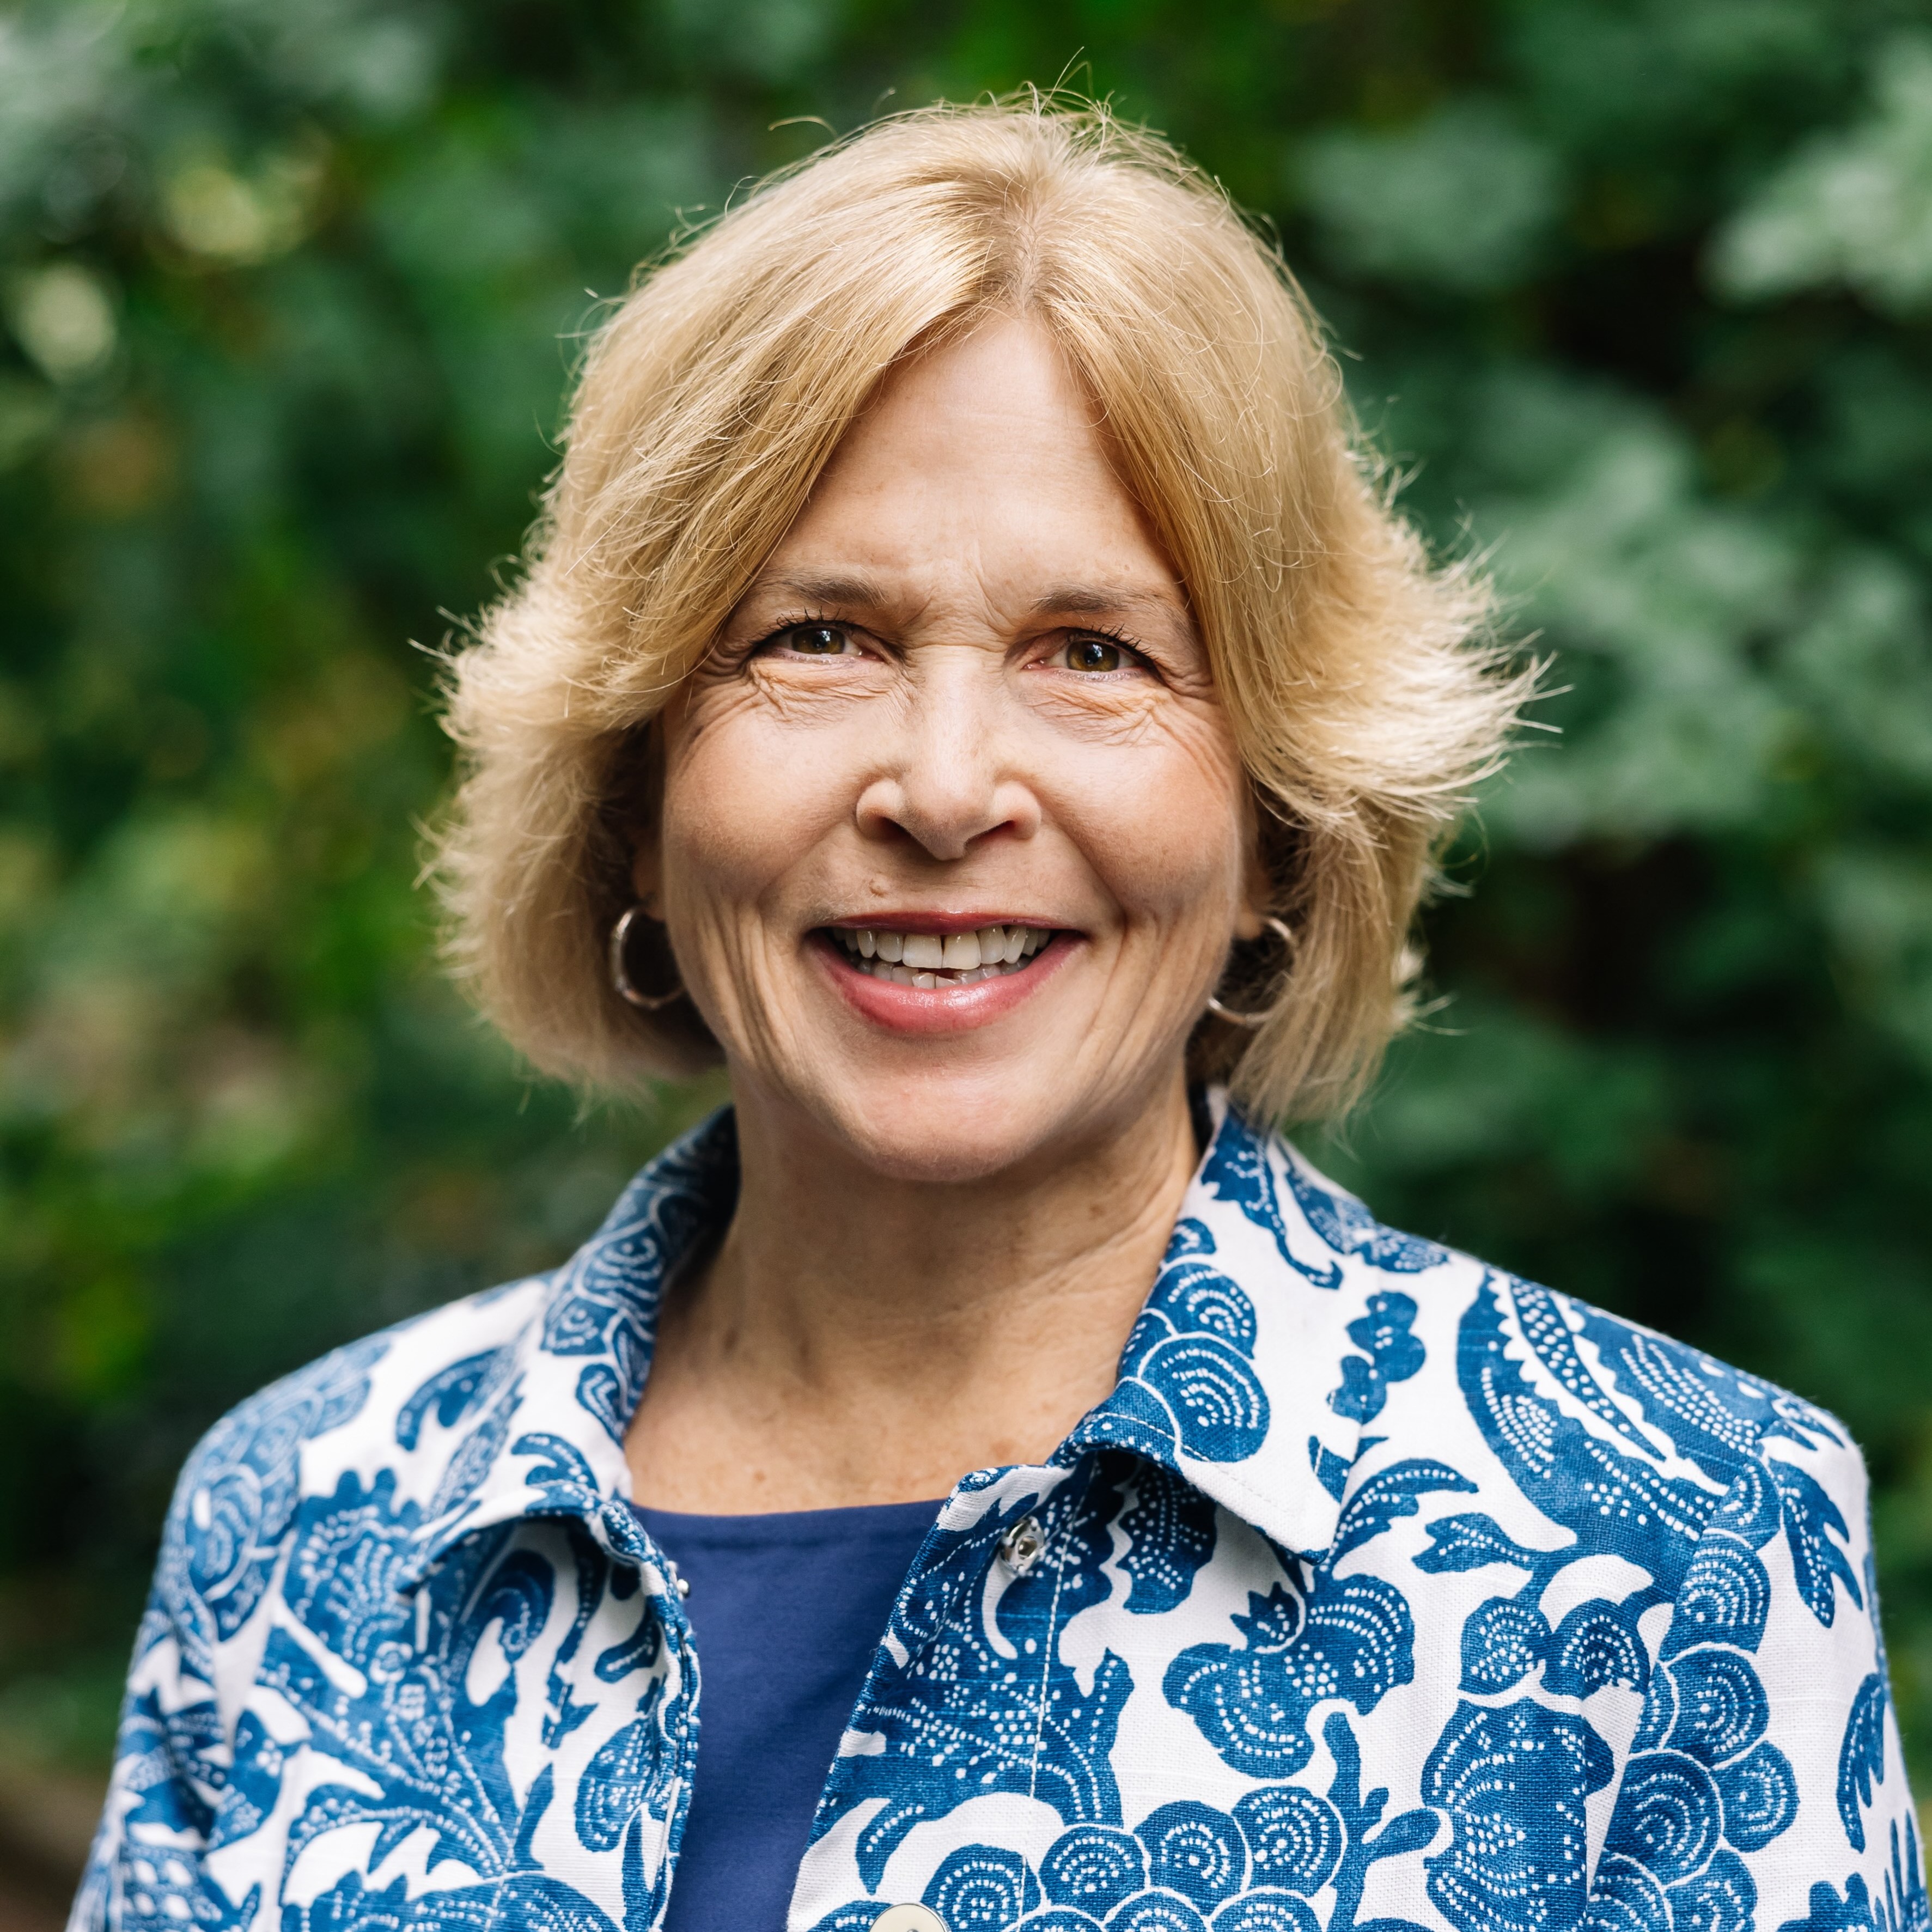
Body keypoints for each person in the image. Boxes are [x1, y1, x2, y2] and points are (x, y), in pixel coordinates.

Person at [75, 100, 1919, 1932]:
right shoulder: (306, 1523)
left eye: (1093, 654)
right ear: (631, 789)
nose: (945, 786)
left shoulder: (1675, 1544)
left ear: (1280, 824)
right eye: (817, 639)